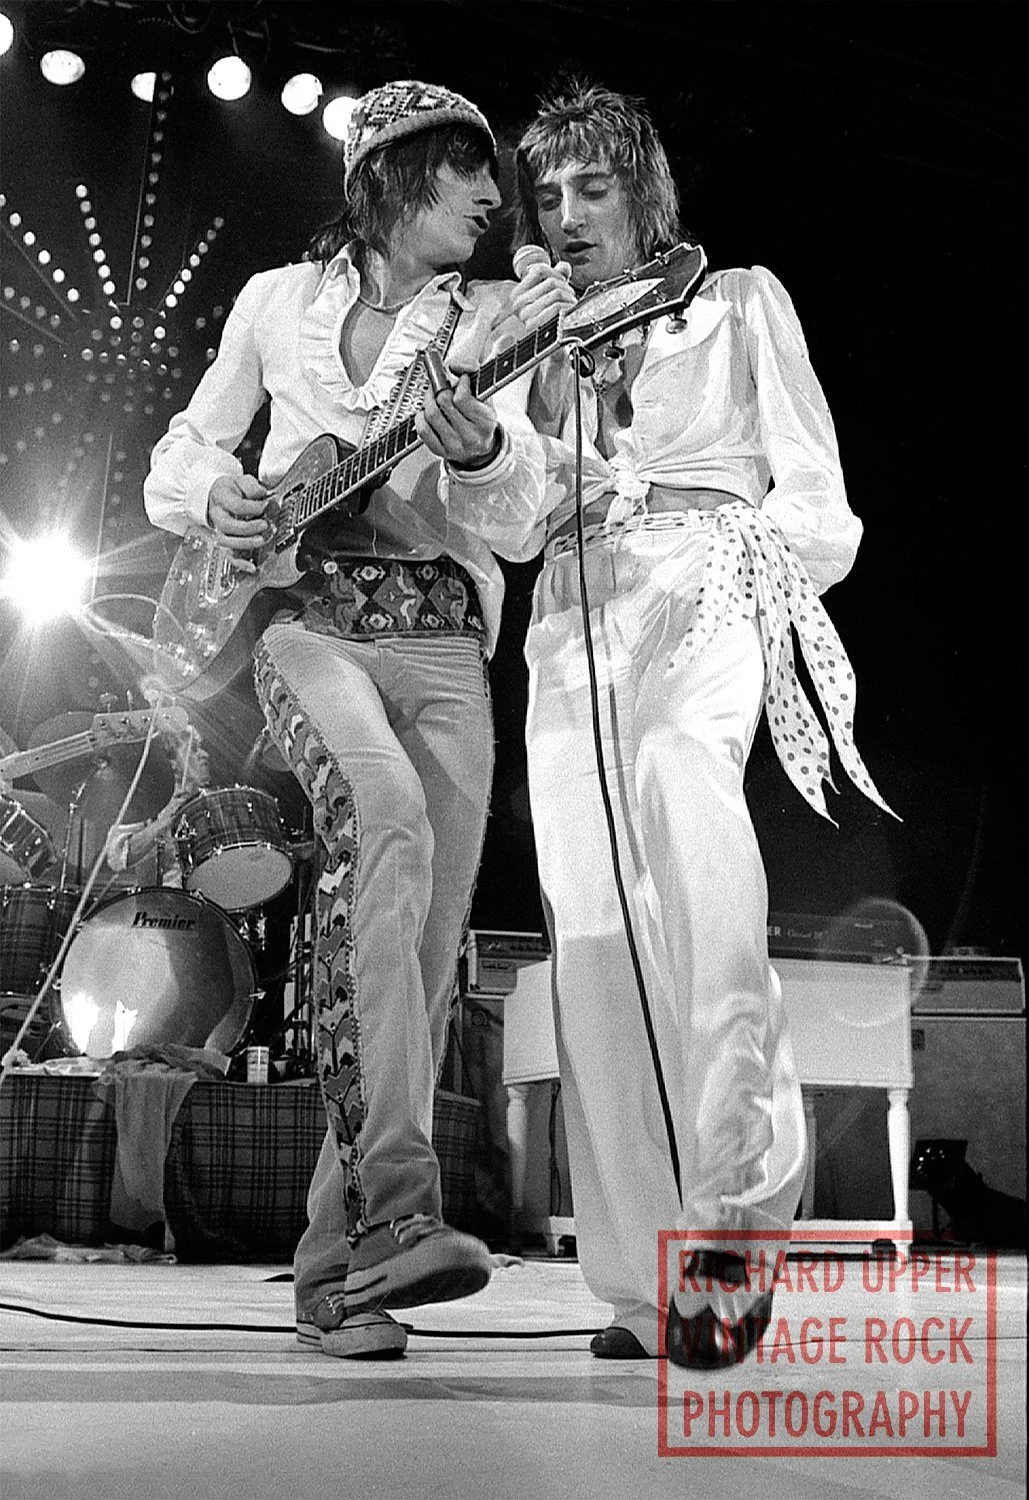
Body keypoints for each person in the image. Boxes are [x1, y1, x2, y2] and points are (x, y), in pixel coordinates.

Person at [438, 81, 895, 1366]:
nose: (569, 214)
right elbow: (517, 522)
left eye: (595, 188)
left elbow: (821, 500)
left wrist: (755, 557)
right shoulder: (535, 340)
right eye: (549, 195)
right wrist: (482, 447)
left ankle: (737, 1218)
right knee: (590, 920)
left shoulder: (742, 299)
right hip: (573, 615)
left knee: (689, 828)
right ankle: (646, 1280)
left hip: (709, 576)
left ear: (646, 194)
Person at [144, 80, 540, 1360]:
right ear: (392, 178)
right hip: (309, 625)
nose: (493, 199)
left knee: (416, 969)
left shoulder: (495, 321)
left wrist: (479, 453)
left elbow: (524, 517)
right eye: (468, 174)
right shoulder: (275, 303)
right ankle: (404, 1214)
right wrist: (223, 501)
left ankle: (339, 1273)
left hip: (442, 645)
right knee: (384, 815)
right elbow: (182, 453)